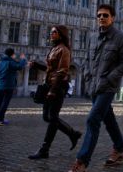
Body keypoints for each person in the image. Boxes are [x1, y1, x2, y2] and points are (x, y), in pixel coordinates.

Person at [69, 4, 123, 172]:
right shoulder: (93, 37)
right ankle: (119, 147)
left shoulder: (120, 38)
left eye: (105, 15)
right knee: (107, 117)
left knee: (93, 119)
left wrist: (110, 77)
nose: (101, 18)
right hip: (94, 86)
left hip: (108, 87)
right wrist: (88, 75)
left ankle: (82, 161)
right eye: (99, 15)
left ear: (113, 18)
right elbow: (89, 59)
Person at [28, 25, 82, 160]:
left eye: (54, 32)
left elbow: (62, 71)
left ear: (61, 34)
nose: (51, 34)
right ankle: (73, 133)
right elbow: (50, 68)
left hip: (58, 86)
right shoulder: (54, 48)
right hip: (50, 84)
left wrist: (53, 90)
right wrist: (37, 65)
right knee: (47, 117)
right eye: (51, 32)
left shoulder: (64, 50)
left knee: (52, 117)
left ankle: (44, 149)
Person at [0, 48, 27, 125]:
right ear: (12, 54)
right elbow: (19, 67)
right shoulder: (9, 62)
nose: (15, 56)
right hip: (8, 86)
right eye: (14, 54)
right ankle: (0, 119)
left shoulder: (1, 62)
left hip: (1, 85)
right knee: (5, 103)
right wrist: (23, 59)